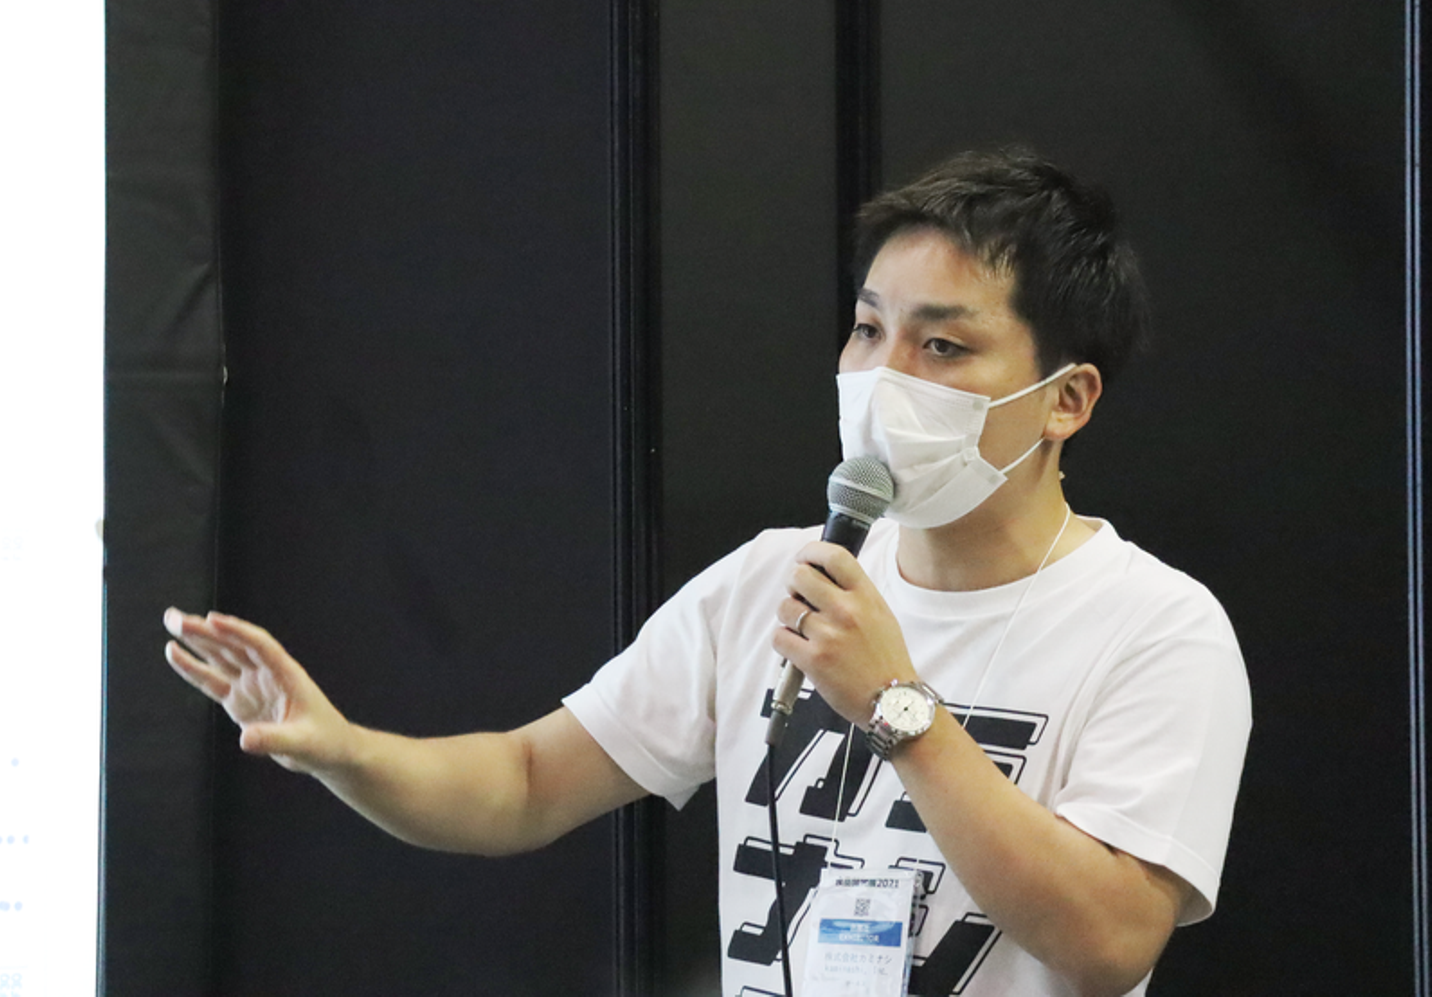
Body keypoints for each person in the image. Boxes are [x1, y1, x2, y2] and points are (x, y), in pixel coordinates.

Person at [164, 148, 1250, 997]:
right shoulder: (775, 577)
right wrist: (345, 750)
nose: (882, 377)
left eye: (942, 347)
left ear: (1066, 399)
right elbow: (526, 782)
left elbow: (1109, 941)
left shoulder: (1155, 626)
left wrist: (896, 705)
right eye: (867, 330)